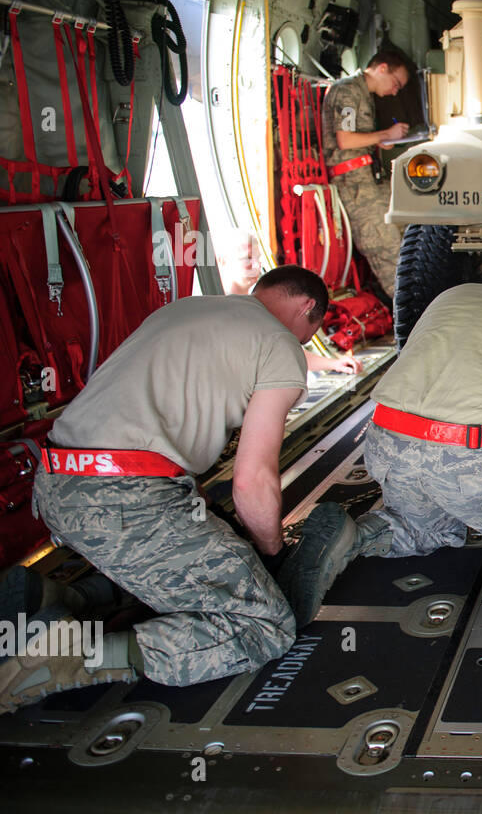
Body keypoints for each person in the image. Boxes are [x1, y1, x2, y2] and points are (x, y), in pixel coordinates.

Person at [0, 267, 331, 712]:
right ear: (307, 308)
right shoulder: (280, 347)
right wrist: (270, 553)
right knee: (263, 623)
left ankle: (61, 599)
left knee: (179, 562)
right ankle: (69, 657)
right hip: (125, 500)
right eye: (309, 334)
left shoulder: (187, 308)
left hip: (58, 486)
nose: (303, 344)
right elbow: (252, 482)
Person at [279, 255, 482, 642]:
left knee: (424, 527)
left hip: (386, 440)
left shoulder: (453, 294)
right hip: (473, 453)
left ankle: (354, 536)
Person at [321, 48, 416, 299]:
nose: (395, 91)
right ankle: (413, 319)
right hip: (355, 185)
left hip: (369, 180)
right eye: (396, 83)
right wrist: (386, 134)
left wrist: (377, 142)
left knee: (408, 241)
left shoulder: (362, 93)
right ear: (382, 68)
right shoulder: (347, 90)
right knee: (387, 252)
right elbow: (344, 140)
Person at [214, 227, 362, 375]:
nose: (257, 266)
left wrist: (333, 363)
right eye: (247, 258)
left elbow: (283, 351)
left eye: (258, 258)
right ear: (222, 261)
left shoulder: (256, 307)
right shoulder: (221, 315)